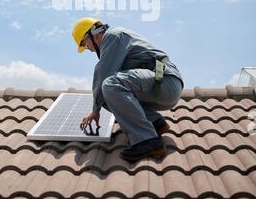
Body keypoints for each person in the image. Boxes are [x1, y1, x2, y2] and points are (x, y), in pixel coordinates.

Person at [72, 17, 184, 162]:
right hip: (159, 83)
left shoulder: (113, 36)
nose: (88, 49)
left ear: (94, 34)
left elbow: (103, 71)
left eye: (85, 44)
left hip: (164, 80)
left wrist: (95, 109)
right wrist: (98, 105)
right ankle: (155, 123)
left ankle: (148, 141)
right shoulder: (115, 40)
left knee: (110, 85)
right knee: (106, 96)